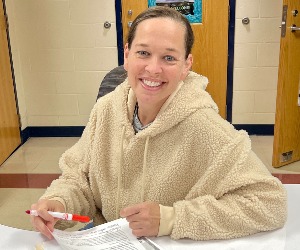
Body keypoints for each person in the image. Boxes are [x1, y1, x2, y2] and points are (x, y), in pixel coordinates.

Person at [30, 6, 287, 241]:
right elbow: (79, 177)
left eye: (169, 58)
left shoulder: (204, 126)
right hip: (107, 236)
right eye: (143, 53)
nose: (153, 69)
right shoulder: (106, 110)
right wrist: (59, 203)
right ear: (127, 55)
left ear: (186, 65)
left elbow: (269, 203)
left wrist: (171, 219)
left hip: (168, 243)